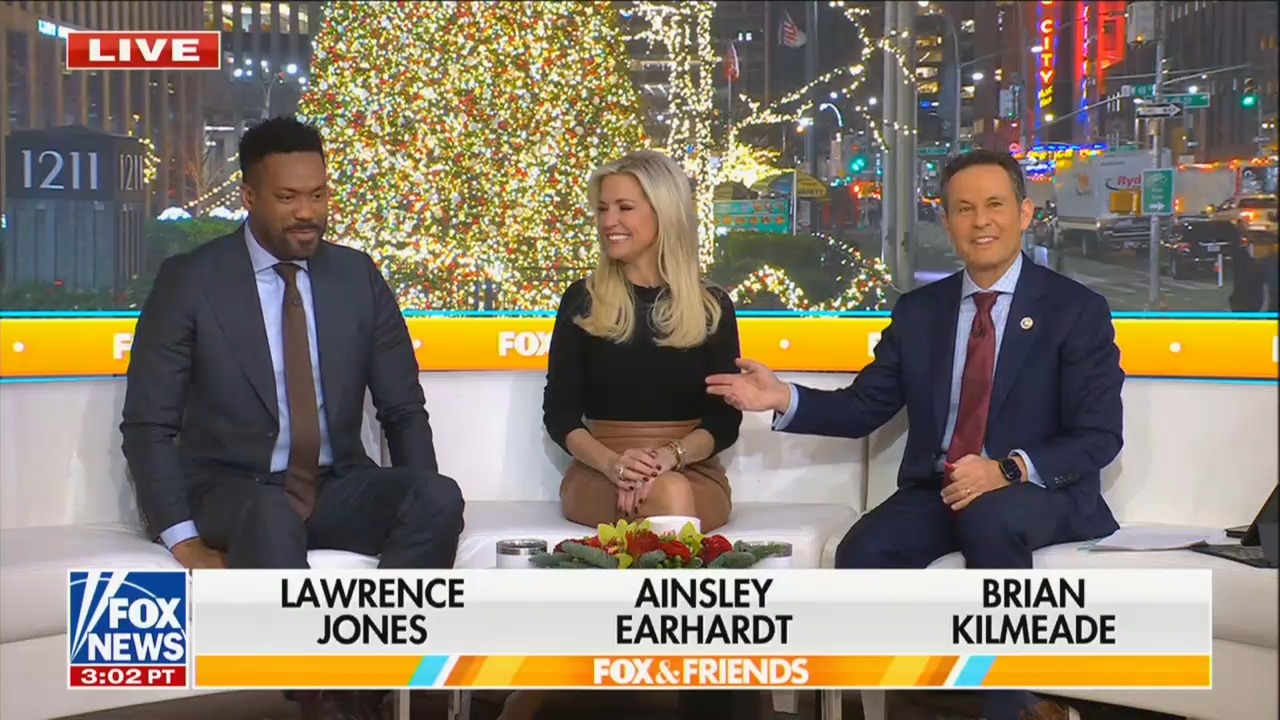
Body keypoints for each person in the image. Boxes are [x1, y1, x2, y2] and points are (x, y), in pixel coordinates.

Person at [707, 149, 1124, 720]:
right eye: (964, 209)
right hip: (941, 490)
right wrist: (783, 398)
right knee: (864, 551)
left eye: (995, 205)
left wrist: (1006, 469)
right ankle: (927, 700)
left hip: (1038, 491)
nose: (981, 221)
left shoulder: (1075, 310)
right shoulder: (920, 311)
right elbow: (865, 406)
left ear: (1024, 214)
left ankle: (1011, 707)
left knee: (990, 518)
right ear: (946, 221)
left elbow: (1099, 435)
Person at [120, 117, 465, 720]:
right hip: (233, 488)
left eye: (318, 194)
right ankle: (328, 702)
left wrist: (419, 490)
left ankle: (359, 690)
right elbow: (148, 425)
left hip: (336, 482)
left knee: (437, 497)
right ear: (249, 196)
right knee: (270, 512)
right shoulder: (192, 281)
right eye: (287, 197)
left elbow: (403, 408)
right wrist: (185, 541)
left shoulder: (357, 276)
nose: (308, 213)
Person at [499, 150, 743, 720]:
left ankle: (552, 685)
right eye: (603, 208)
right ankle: (689, 693)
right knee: (666, 497)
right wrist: (615, 465)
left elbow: (723, 422)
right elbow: (560, 415)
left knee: (672, 493)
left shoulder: (711, 306)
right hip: (598, 470)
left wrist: (668, 457)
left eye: (625, 207)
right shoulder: (583, 300)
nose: (610, 220)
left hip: (691, 468)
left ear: (663, 212)